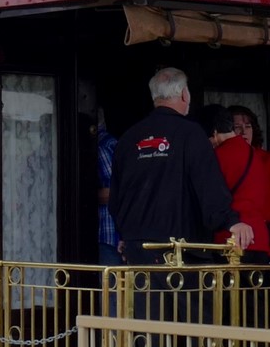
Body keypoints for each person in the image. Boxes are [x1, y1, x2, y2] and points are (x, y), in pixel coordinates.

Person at [110, 68, 252, 265]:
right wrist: (231, 221)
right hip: (182, 255)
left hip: (138, 255)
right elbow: (208, 185)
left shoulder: (128, 138)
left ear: (155, 96)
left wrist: (127, 235)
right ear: (185, 94)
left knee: (143, 297)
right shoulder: (192, 134)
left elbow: (116, 199)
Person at [199, 105, 270, 264]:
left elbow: (209, 197)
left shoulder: (216, 156)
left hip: (229, 240)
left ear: (214, 132)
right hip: (259, 239)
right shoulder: (255, 155)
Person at [229, 105, 270, 263]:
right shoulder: (222, 157)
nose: (243, 131)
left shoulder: (269, 160)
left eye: (248, 126)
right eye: (237, 127)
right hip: (231, 241)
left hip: (266, 243)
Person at [95, 113, 121, 266]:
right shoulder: (113, 143)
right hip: (116, 234)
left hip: (109, 233)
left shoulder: (102, 147)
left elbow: (117, 192)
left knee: (111, 287)